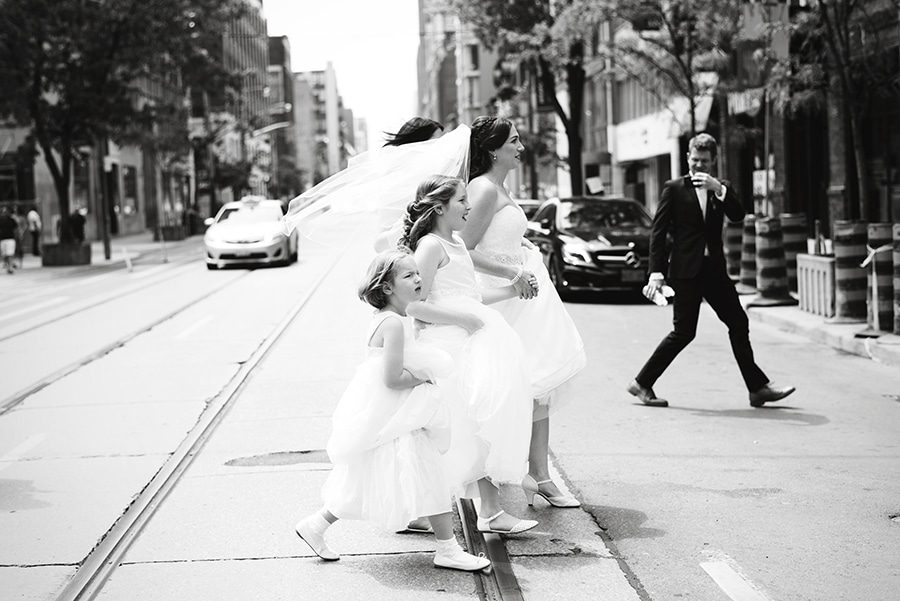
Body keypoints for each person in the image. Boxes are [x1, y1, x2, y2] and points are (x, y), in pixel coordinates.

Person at [295, 249, 490, 572]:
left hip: (390, 411)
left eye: (418, 273)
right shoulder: (395, 325)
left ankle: (316, 524)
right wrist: (424, 376)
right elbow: (392, 377)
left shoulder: (392, 319)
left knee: (369, 473)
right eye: (409, 275)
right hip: (397, 412)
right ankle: (448, 548)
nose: (418, 279)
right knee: (429, 471)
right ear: (387, 287)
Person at [461, 116, 586, 508]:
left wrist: (525, 253)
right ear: (493, 149)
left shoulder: (500, 187)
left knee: (539, 389)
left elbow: (503, 236)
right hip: (501, 299)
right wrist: (513, 272)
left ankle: (539, 476)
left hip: (522, 297)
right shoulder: (482, 189)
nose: (521, 148)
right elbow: (463, 248)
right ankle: (493, 485)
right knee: (509, 390)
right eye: (514, 141)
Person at [403, 175, 538, 535]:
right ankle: (430, 507)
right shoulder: (431, 247)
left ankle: (488, 510)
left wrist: (512, 289)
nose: (469, 206)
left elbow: (469, 295)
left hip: (473, 338)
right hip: (448, 345)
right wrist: (464, 319)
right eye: (461, 201)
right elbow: (414, 304)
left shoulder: (458, 244)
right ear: (439, 208)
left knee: (477, 423)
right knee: (459, 427)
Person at [627, 133, 796, 408]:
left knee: (739, 323)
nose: (698, 166)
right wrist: (655, 272)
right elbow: (658, 234)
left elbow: (739, 214)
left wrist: (719, 188)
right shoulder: (674, 188)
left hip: (714, 271)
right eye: (694, 160)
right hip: (686, 272)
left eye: (704, 161)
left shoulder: (721, 188)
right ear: (687, 158)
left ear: (713, 161)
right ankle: (642, 383)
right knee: (684, 332)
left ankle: (757, 388)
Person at [0, 207, 18, 274]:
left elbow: (16, 228)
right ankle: (8, 266)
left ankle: (10, 267)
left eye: (5, 212)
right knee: (5, 255)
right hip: (2, 239)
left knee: (10, 254)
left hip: (10, 239)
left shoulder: (12, 219)